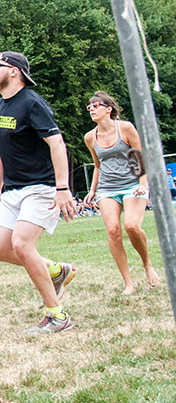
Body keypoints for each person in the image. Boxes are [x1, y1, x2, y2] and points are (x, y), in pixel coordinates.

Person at [0, 51, 77, 334]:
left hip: (40, 187)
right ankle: (56, 271)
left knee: (22, 245)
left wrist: (62, 188)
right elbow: (1, 148)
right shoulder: (0, 106)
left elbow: (57, 144)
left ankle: (58, 315)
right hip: (12, 190)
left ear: (14, 71)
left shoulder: (32, 103)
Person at [82, 91, 161, 294]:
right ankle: (128, 283)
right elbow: (98, 166)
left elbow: (141, 156)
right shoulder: (90, 137)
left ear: (108, 109)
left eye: (96, 105)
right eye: (89, 107)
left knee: (132, 226)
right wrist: (92, 190)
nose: (91, 109)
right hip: (107, 188)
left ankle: (147, 265)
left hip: (132, 184)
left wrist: (143, 183)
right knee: (113, 231)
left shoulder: (125, 128)